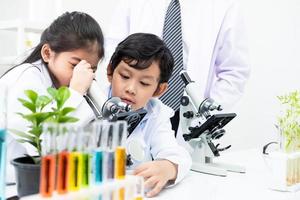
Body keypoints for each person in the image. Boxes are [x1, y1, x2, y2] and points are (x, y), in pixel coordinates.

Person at [102, 0, 251, 144]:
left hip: (189, 113)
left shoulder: (224, 6)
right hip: (135, 107)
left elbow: (234, 72)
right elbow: (114, 55)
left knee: (175, 160)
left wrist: (206, 117)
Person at [1, 11, 104, 181]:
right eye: (75, 65)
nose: (83, 75)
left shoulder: (61, 86)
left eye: (90, 69)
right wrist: (76, 92)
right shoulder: (26, 79)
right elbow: (43, 147)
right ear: (47, 53)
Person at [106, 33, 192, 197]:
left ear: (159, 89)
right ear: (110, 71)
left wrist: (168, 167)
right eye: (124, 76)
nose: (131, 88)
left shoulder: (157, 113)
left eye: (144, 83)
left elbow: (178, 155)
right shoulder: (89, 102)